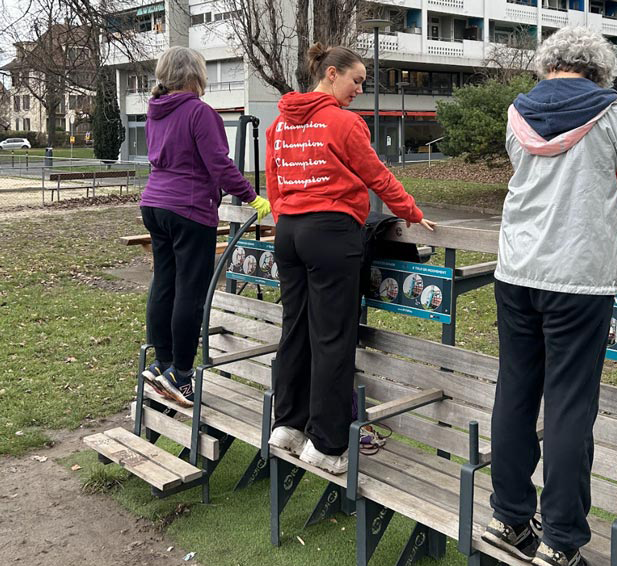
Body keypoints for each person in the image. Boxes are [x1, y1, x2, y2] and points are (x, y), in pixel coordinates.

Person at [482, 26, 617, 566]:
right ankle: (561, 541)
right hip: (578, 278)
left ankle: (508, 519)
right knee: (571, 406)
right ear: (599, 67)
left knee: (517, 393)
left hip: (516, 271)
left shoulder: (516, 112)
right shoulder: (611, 112)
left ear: (549, 64)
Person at [265, 44, 436, 474]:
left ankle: (287, 424)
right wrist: (411, 212)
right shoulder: (344, 122)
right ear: (331, 73)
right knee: (332, 337)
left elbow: (274, 181)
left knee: (296, 327)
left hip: (290, 233)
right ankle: (326, 443)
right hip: (330, 232)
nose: (360, 88)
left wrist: (288, 218)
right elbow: (376, 174)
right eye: (356, 80)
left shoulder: (281, 122)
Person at [139, 46, 271, 407]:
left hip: (154, 203)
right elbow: (220, 165)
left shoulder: (155, 111)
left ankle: (161, 362)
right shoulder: (199, 112)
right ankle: (181, 376)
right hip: (188, 209)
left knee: (164, 282)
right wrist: (252, 198)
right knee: (190, 292)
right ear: (195, 74)